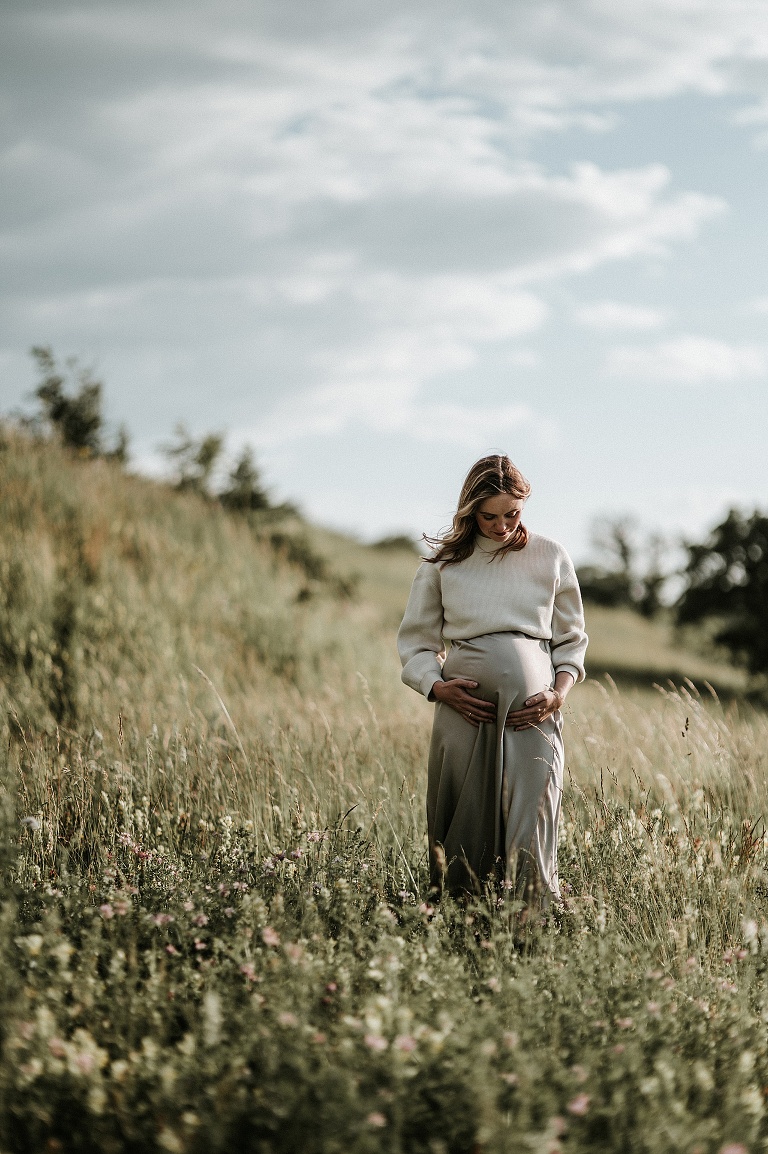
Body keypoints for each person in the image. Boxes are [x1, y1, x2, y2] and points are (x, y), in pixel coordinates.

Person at [397, 454, 587, 902]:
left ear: (525, 504)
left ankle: (530, 921)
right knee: (467, 818)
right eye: (489, 516)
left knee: (532, 814)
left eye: (512, 514)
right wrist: (437, 687)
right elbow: (416, 642)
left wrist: (558, 694)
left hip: (533, 712)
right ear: (470, 510)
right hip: (465, 711)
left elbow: (571, 638)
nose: (502, 526)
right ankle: (462, 918)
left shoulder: (551, 555)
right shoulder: (442, 565)